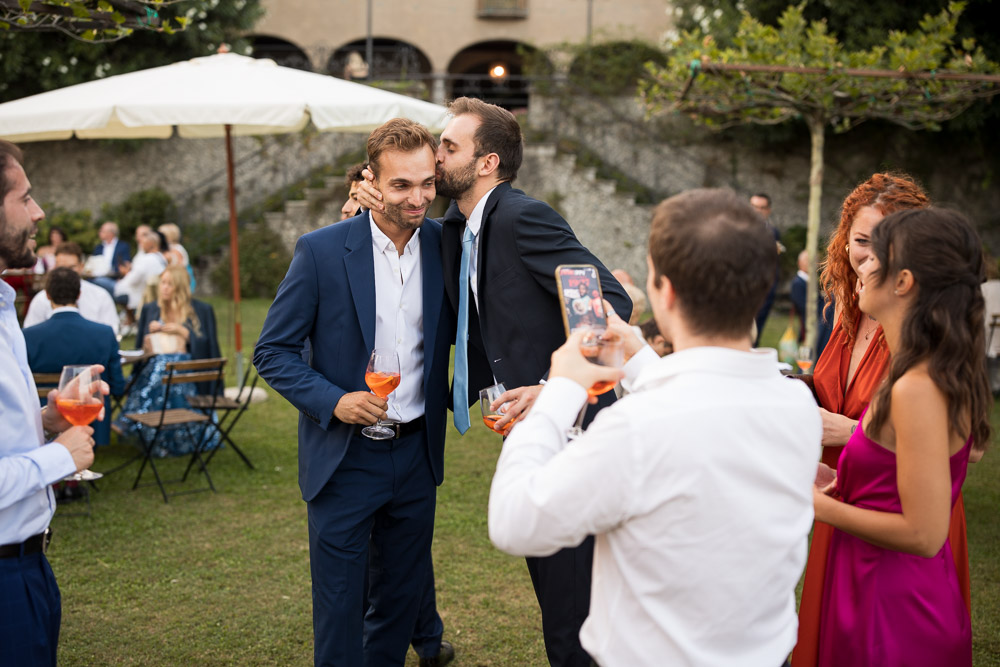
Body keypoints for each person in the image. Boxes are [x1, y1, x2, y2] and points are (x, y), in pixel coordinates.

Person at [488, 188, 821, 667]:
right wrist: (638, 353)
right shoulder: (795, 404)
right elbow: (707, 399)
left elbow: (515, 521)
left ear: (664, 291)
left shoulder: (636, 428)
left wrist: (562, 388)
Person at [359, 97, 631, 667]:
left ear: (486, 163)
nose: (436, 156)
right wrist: (370, 207)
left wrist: (555, 384)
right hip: (523, 431)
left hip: (574, 430)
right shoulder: (458, 227)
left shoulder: (522, 216)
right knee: (556, 590)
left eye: (449, 147)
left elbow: (607, 300)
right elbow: (403, 242)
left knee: (569, 605)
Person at [254, 118, 455, 667]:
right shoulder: (320, 251)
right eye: (401, 186)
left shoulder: (447, 245)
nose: (418, 198)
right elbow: (272, 351)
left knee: (398, 600)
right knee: (341, 606)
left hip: (417, 453)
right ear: (370, 182)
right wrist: (333, 401)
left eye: (427, 183)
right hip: (345, 459)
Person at [791, 173, 971, 665]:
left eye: (881, 247)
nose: (866, 260)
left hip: (891, 522)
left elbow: (957, 449)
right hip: (848, 501)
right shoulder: (852, 308)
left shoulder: (923, 357)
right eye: (860, 242)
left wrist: (843, 442)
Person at [0, 139, 103, 666]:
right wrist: (61, 456)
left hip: (32, 564)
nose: (39, 211)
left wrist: (48, 417)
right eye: (24, 197)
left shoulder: (5, 306)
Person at [116, 266, 220, 458]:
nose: (164, 288)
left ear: (180, 287)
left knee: (165, 365)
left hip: (188, 374)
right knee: (160, 364)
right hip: (155, 369)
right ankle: (142, 425)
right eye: (162, 282)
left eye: (169, 284)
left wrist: (183, 333)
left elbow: (209, 347)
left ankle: (130, 419)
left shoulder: (201, 310)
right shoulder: (151, 309)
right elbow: (142, 351)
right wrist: (149, 341)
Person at [24, 268, 125, 446]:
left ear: (47, 295)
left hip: (42, 421)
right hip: (91, 419)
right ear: (79, 295)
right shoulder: (103, 333)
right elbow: (117, 385)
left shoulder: (28, 336)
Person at [24, 242, 120, 335]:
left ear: (81, 267)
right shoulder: (41, 299)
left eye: (72, 267)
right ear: (55, 267)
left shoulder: (100, 296)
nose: (66, 272)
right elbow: (31, 334)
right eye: (61, 267)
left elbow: (112, 332)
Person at [113, 227, 167, 327]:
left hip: (141, 295)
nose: (141, 244)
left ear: (150, 244)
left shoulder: (146, 259)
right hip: (152, 293)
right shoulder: (161, 258)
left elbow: (132, 280)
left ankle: (130, 321)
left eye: (144, 242)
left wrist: (125, 275)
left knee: (107, 286)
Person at [751, 193, 783, 345]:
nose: (758, 211)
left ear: (768, 210)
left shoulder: (773, 233)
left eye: (762, 208)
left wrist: (771, 289)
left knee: (756, 333)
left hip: (765, 292)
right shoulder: (736, 230)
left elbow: (774, 264)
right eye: (755, 207)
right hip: (741, 291)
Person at [789, 249, 832, 358]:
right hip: (810, 325)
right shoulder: (798, 283)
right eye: (808, 260)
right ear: (800, 263)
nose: (812, 263)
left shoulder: (809, 281)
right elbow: (804, 307)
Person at [89, 221, 131, 294]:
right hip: (98, 276)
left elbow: (125, 265)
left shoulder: (123, 246)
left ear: (110, 233)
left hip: (115, 278)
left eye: (102, 231)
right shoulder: (98, 248)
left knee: (98, 281)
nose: (99, 233)